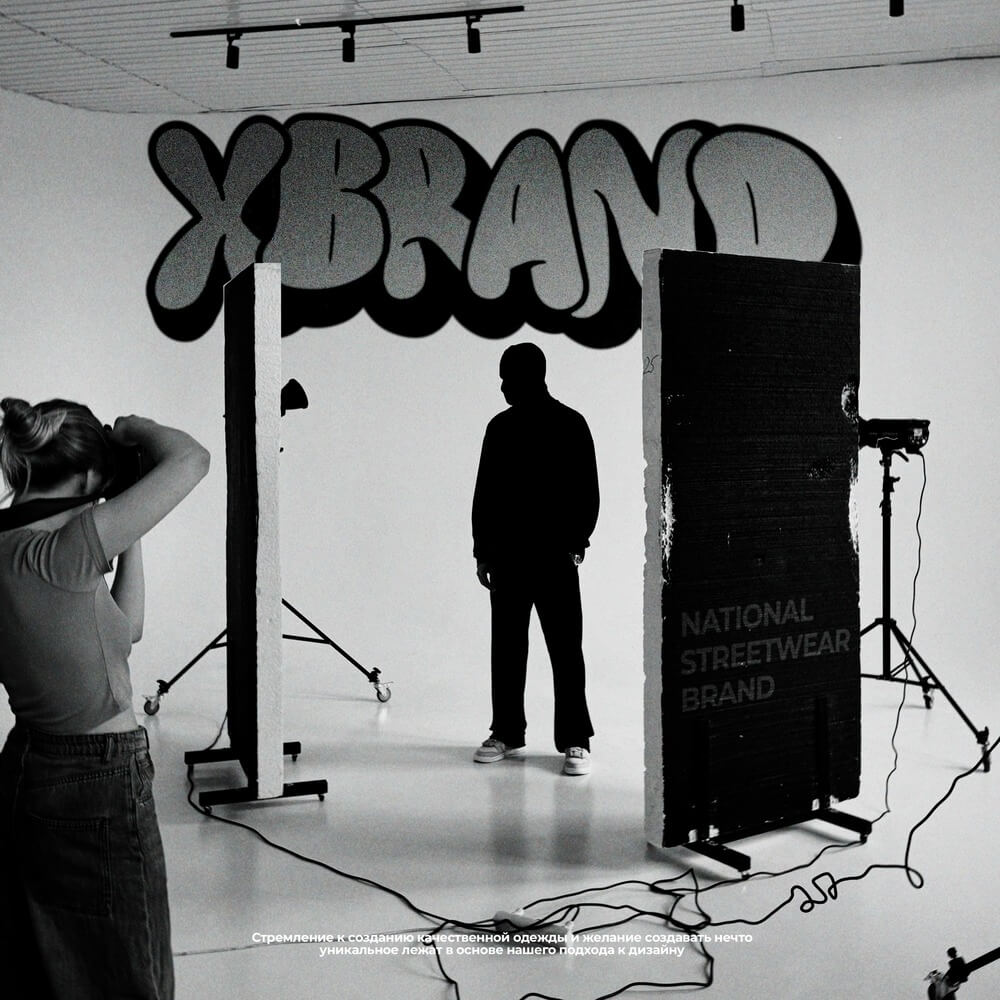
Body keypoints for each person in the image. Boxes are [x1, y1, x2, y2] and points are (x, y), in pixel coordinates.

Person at [0, 396, 210, 1000]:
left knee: (55, 968)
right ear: (92, 475)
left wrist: (125, 526)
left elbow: (128, 627)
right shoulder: (66, 554)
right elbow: (192, 459)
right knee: (131, 967)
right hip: (97, 779)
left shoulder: (25, 549)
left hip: (28, 768)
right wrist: (133, 431)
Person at [471, 343, 599, 776]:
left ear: (524, 378)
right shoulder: (502, 427)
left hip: (548, 557)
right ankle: (513, 733)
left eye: (506, 378)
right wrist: (483, 552)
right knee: (521, 648)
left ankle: (572, 739)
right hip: (515, 558)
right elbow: (486, 494)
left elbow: (586, 491)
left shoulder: (569, 424)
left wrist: (576, 543)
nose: (502, 387)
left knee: (560, 650)